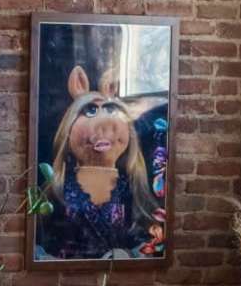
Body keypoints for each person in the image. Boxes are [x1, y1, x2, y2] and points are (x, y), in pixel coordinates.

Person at [35, 81, 166, 260]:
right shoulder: (56, 190)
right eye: (90, 111)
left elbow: (146, 235)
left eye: (111, 110)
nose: (104, 123)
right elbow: (40, 240)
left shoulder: (132, 189)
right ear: (67, 130)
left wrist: (128, 255)